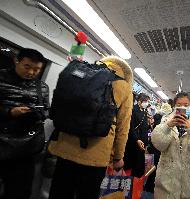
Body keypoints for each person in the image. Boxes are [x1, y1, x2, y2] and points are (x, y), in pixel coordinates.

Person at [48, 56, 133, 199]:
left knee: (59, 192)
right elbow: (123, 128)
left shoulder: (81, 73)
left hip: (64, 147)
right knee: (87, 194)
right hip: (96, 154)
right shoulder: (124, 86)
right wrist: (118, 157)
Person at [0, 48, 49, 199]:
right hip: (1, 142)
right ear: (16, 60)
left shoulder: (42, 87)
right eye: (27, 66)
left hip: (26, 148)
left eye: (36, 69)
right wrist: (9, 112)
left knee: (19, 191)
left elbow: (46, 109)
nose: (31, 72)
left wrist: (40, 114)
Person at [151, 92, 190, 199]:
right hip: (168, 182)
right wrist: (168, 126)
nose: (182, 108)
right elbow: (158, 145)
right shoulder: (166, 120)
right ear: (174, 107)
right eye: (179, 105)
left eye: (186, 105)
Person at [124, 93, 150, 178]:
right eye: (145, 101)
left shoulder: (144, 111)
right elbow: (131, 127)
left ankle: (136, 182)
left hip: (142, 140)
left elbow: (144, 126)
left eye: (147, 101)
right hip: (134, 140)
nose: (146, 103)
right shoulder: (133, 110)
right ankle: (130, 181)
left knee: (139, 162)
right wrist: (137, 139)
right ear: (139, 101)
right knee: (134, 162)